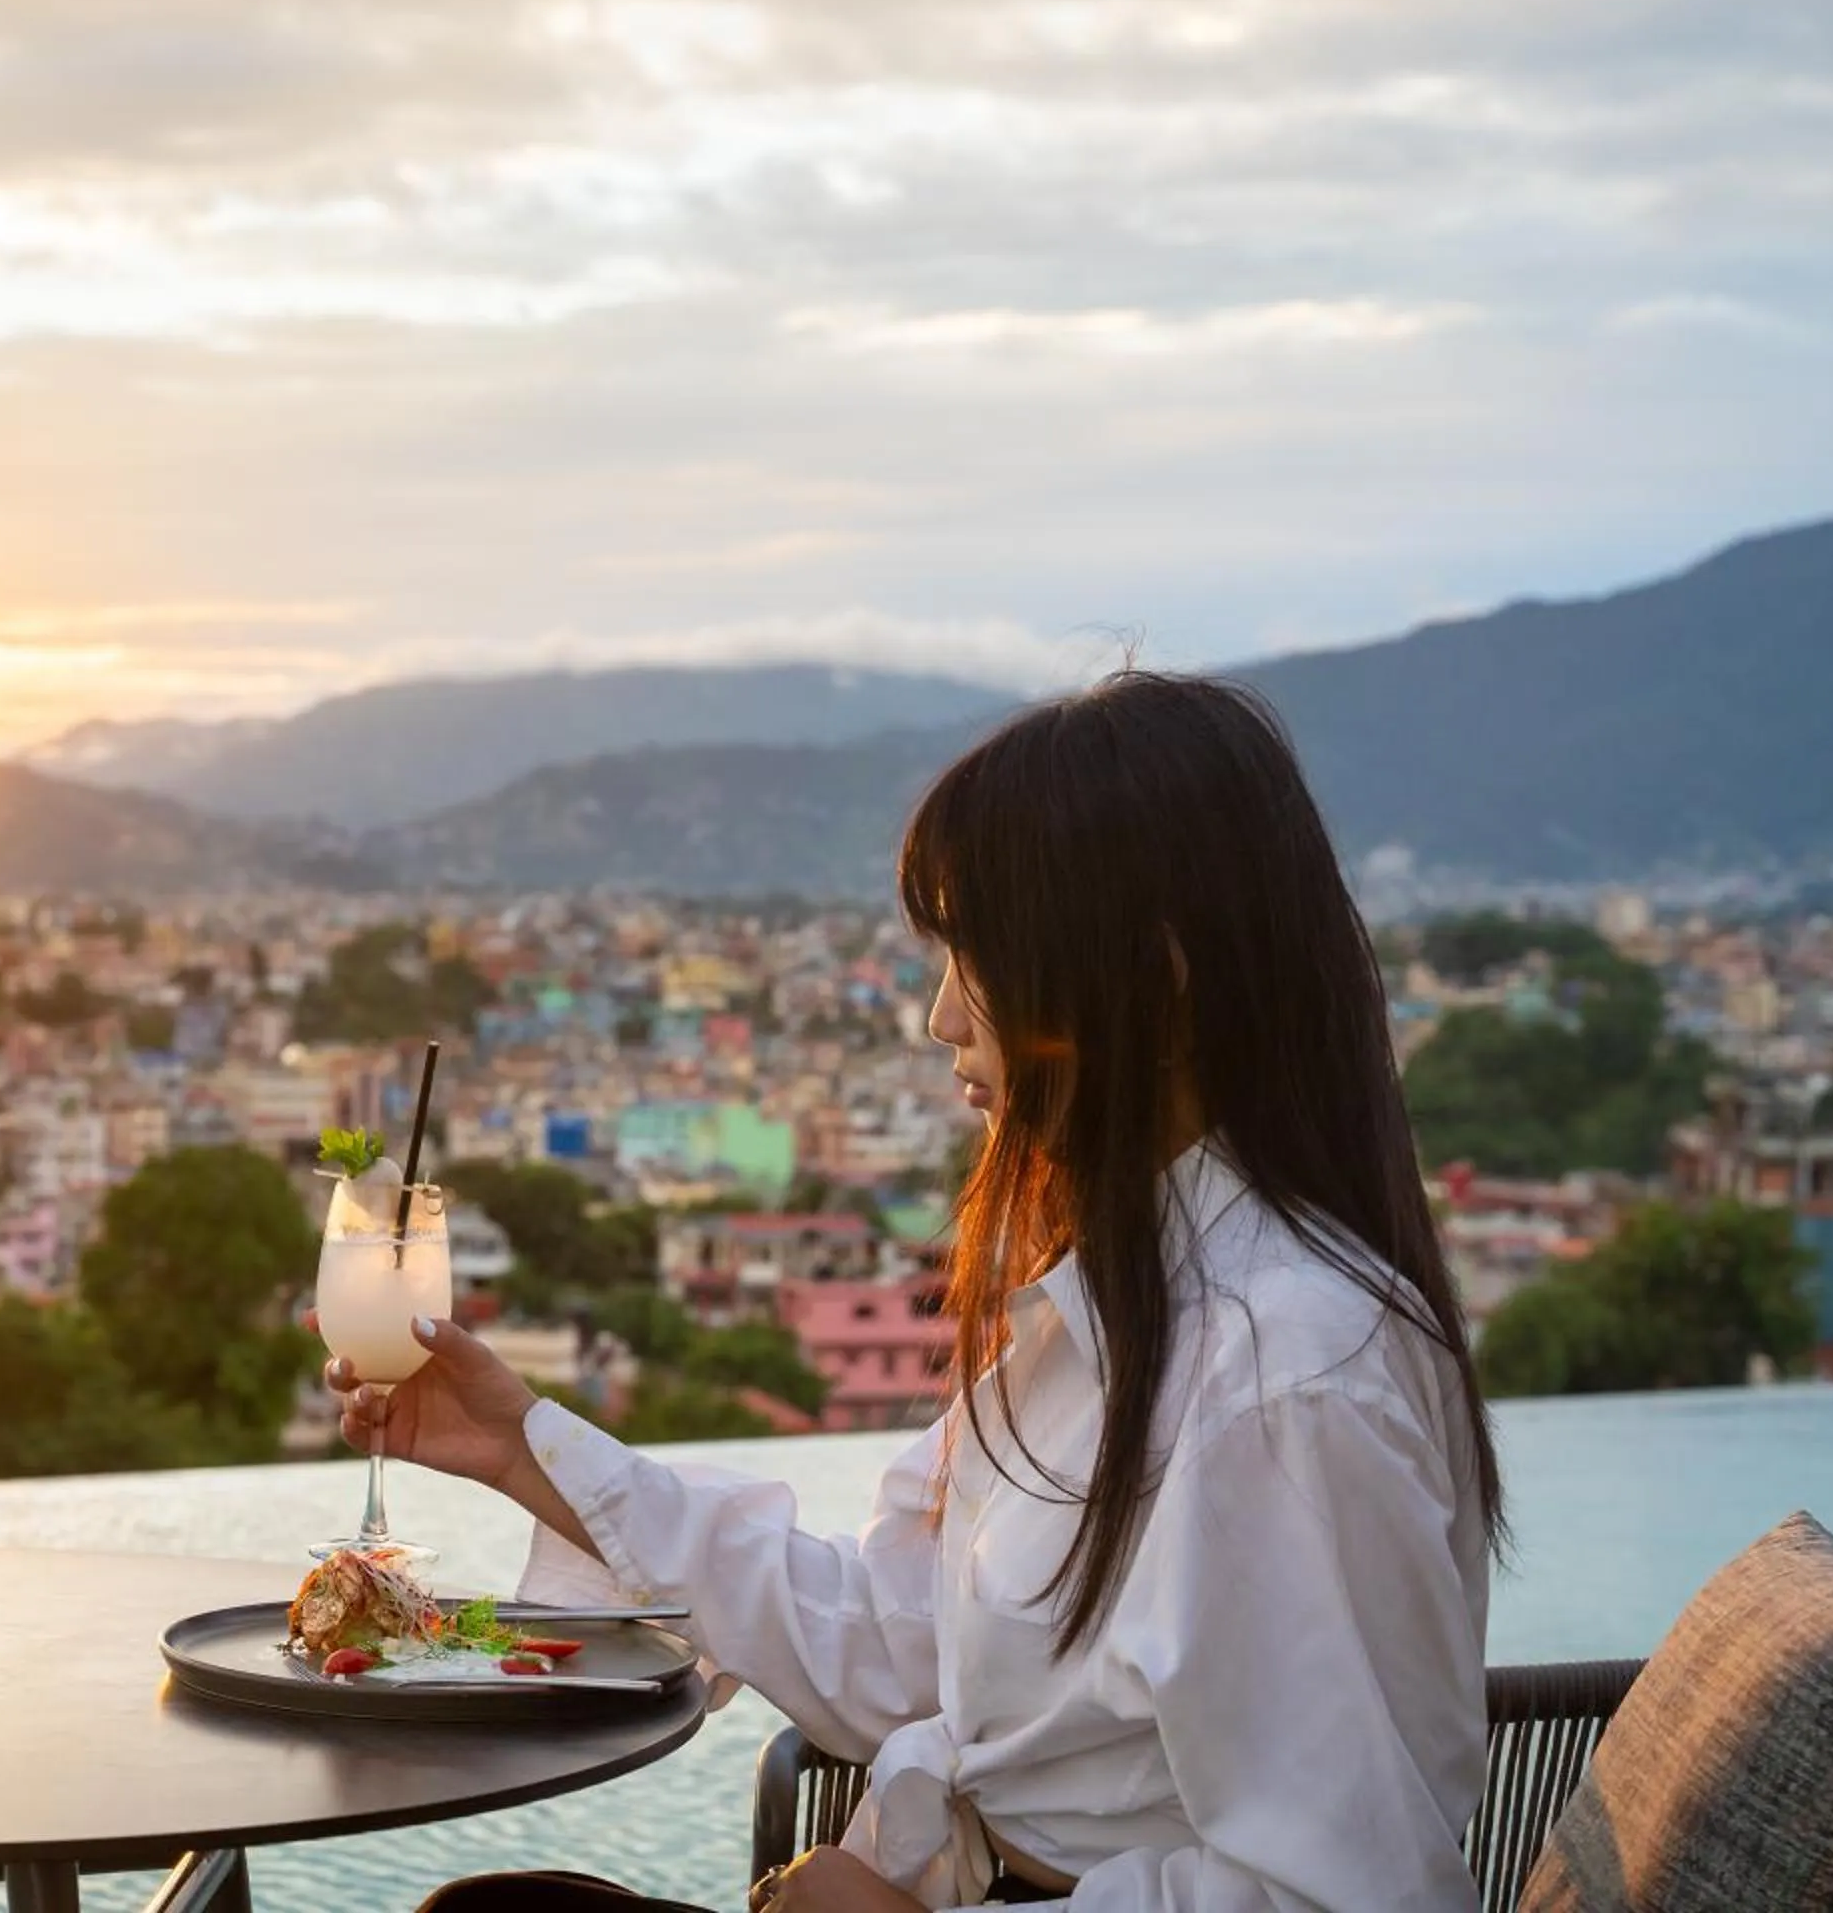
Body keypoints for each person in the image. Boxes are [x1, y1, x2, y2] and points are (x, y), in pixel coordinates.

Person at [336, 674, 1503, 1911]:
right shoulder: (1134, 1308)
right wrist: (526, 1446)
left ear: (1155, 983)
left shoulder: (1287, 1375)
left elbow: (1347, 1898)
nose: (941, 1015)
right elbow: (898, 1637)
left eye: (979, 957)